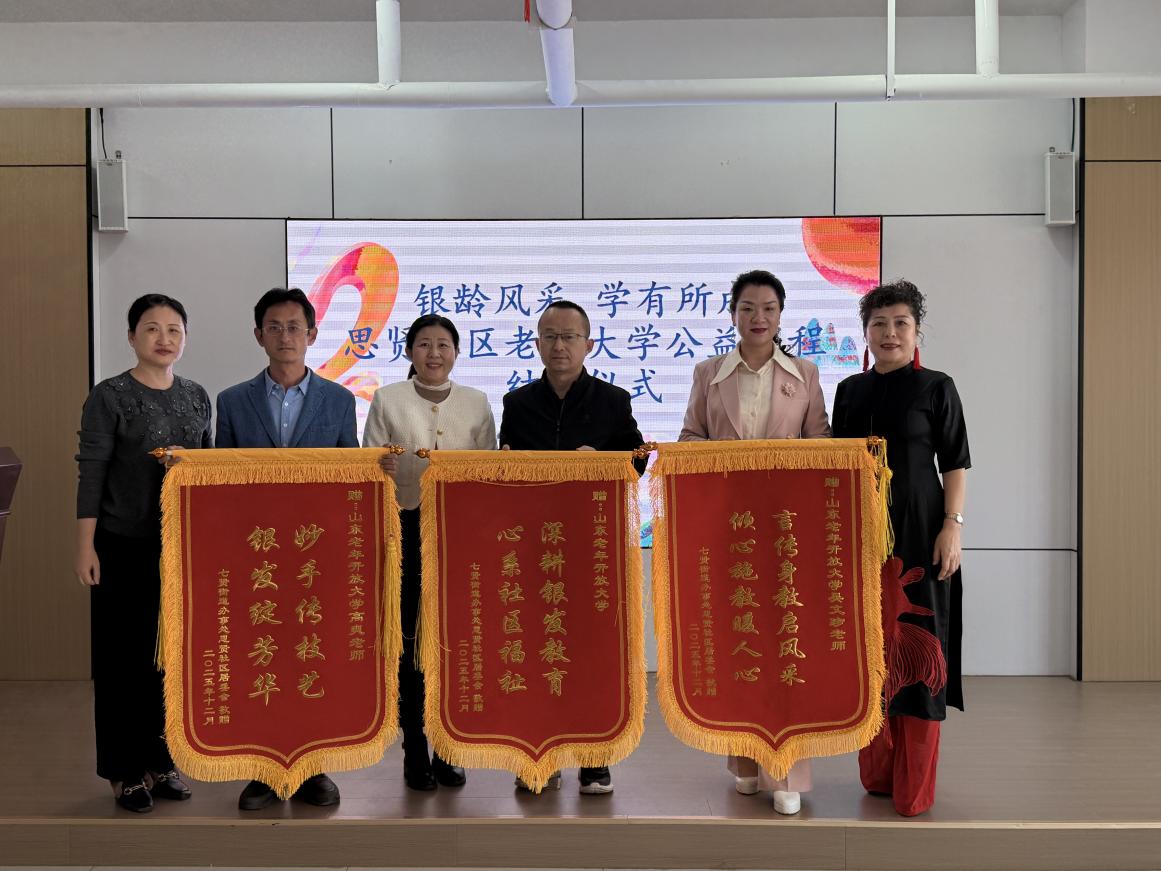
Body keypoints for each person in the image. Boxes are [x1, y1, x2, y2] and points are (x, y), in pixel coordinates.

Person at [679, 269, 830, 816]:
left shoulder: (805, 374)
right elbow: (690, 438)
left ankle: (787, 769)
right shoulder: (708, 373)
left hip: (787, 531)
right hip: (728, 527)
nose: (758, 317)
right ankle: (744, 760)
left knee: (788, 642)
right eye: (747, 308)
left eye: (768, 308)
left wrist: (779, 466)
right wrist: (725, 461)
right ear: (733, 314)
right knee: (739, 638)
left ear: (781, 315)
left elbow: (821, 444)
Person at [215, 287, 357, 810]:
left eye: (294, 327)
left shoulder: (339, 400)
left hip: (317, 553)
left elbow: (351, 475)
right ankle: (261, 769)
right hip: (257, 554)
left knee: (314, 655)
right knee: (260, 658)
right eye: (273, 327)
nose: (284, 336)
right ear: (258, 335)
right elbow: (222, 480)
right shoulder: (232, 401)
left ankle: (314, 767)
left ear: (312, 335)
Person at [831, 279, 969, 817]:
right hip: (859, 539)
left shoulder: (937, 387)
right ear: (865, 333)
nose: (890, 333)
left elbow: (954, 462)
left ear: (916, 331)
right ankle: (878, 773)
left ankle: (915, 787)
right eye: (879, 324)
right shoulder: (849, 391)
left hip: (921, 535)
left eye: (901, 323)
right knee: (868, 653)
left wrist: (952, 526)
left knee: (919, 648)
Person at [498, 299, 646, 795]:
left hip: (592, 548)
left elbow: (638, 459)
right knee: (535, 652)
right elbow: (504, 466)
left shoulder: (613, 400)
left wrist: (601, 459)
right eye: (550, 337)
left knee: (591, 653)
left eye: (569, 337)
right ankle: (539, 755)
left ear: (588, 344)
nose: (559, 346)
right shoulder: (518, 403)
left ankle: (594, 758)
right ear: (537, 344)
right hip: (533, 549)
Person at [75, 294, 212, 813]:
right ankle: (124, 771)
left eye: (174, 329)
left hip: (179, 547)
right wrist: (85, 545)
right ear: (132, 337)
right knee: (121, 662)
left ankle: (161, 760)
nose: (163, 338)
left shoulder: (196, 396)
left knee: (169, 657)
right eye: (151, 328)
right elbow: (91, 472)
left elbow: (206, 470)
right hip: (120, 544)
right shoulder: (109, 396)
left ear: (185, 338)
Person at [362, 315, 497, 791]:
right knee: (410, 640)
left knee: (454, 641)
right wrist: (382, 465)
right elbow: (370, 467)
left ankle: (448, 746)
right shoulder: (387, 399)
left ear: (456, 352)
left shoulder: (477, 402)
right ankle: (414, 746)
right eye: (424, 344)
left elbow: (488, 471)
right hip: (404, 530)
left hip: (460, 536)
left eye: (443, 345)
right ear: (410, 351)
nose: (434, 353)